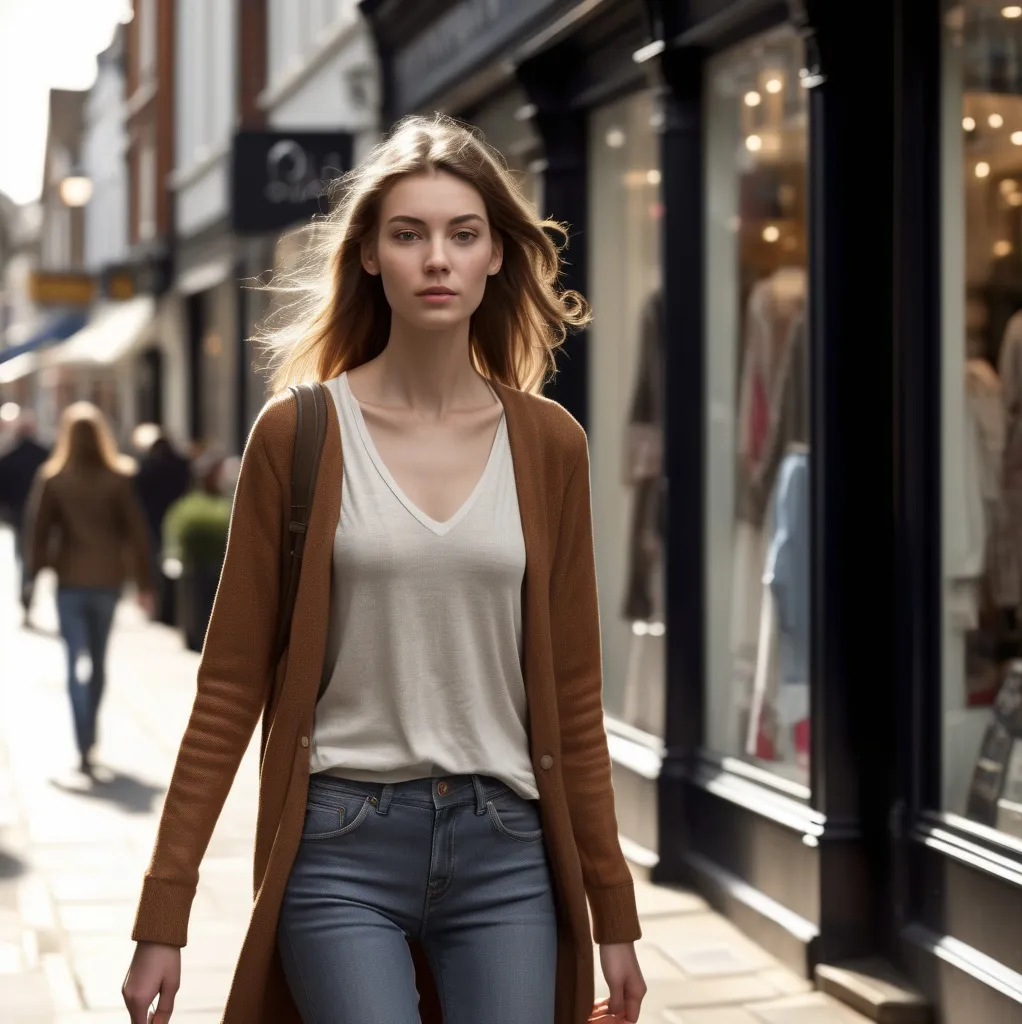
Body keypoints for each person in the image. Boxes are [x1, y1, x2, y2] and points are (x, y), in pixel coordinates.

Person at [122, 114, 648, 1024]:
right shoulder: (298, 435)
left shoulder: (550, 445)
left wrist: (615, 913)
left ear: (495, 256)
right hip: (338, 848)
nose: (436, 258)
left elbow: (573, 693)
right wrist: (163, 915)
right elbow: (226, 691)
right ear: (370, 255)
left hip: (508, 850)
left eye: (462, 233)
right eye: (408, 235)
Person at [24, 402, 155, 775]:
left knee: (72, 662)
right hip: (108, 580)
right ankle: (91, 734)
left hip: (69, 581)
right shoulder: (118, 477)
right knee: (97, 661)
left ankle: (81, 739)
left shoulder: (53, 478)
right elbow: (137, 533)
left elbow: (38, 532)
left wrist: (33, 579)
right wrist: (145, 583)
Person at [132, 432, 191, 621]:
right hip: (177, 517)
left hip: (153, 521)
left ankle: (161, 607)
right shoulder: (180, 465)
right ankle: (170, 608)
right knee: (175, 563)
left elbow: (138, 494)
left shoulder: (147, 467)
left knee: (157, 564)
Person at [0, 411, 49, 625]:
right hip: (42, 514)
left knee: (23, 556)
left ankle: (27, 588)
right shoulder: (44, 455)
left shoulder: (9, 456)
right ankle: (29, 586)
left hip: (19, 514)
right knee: (35, 555)